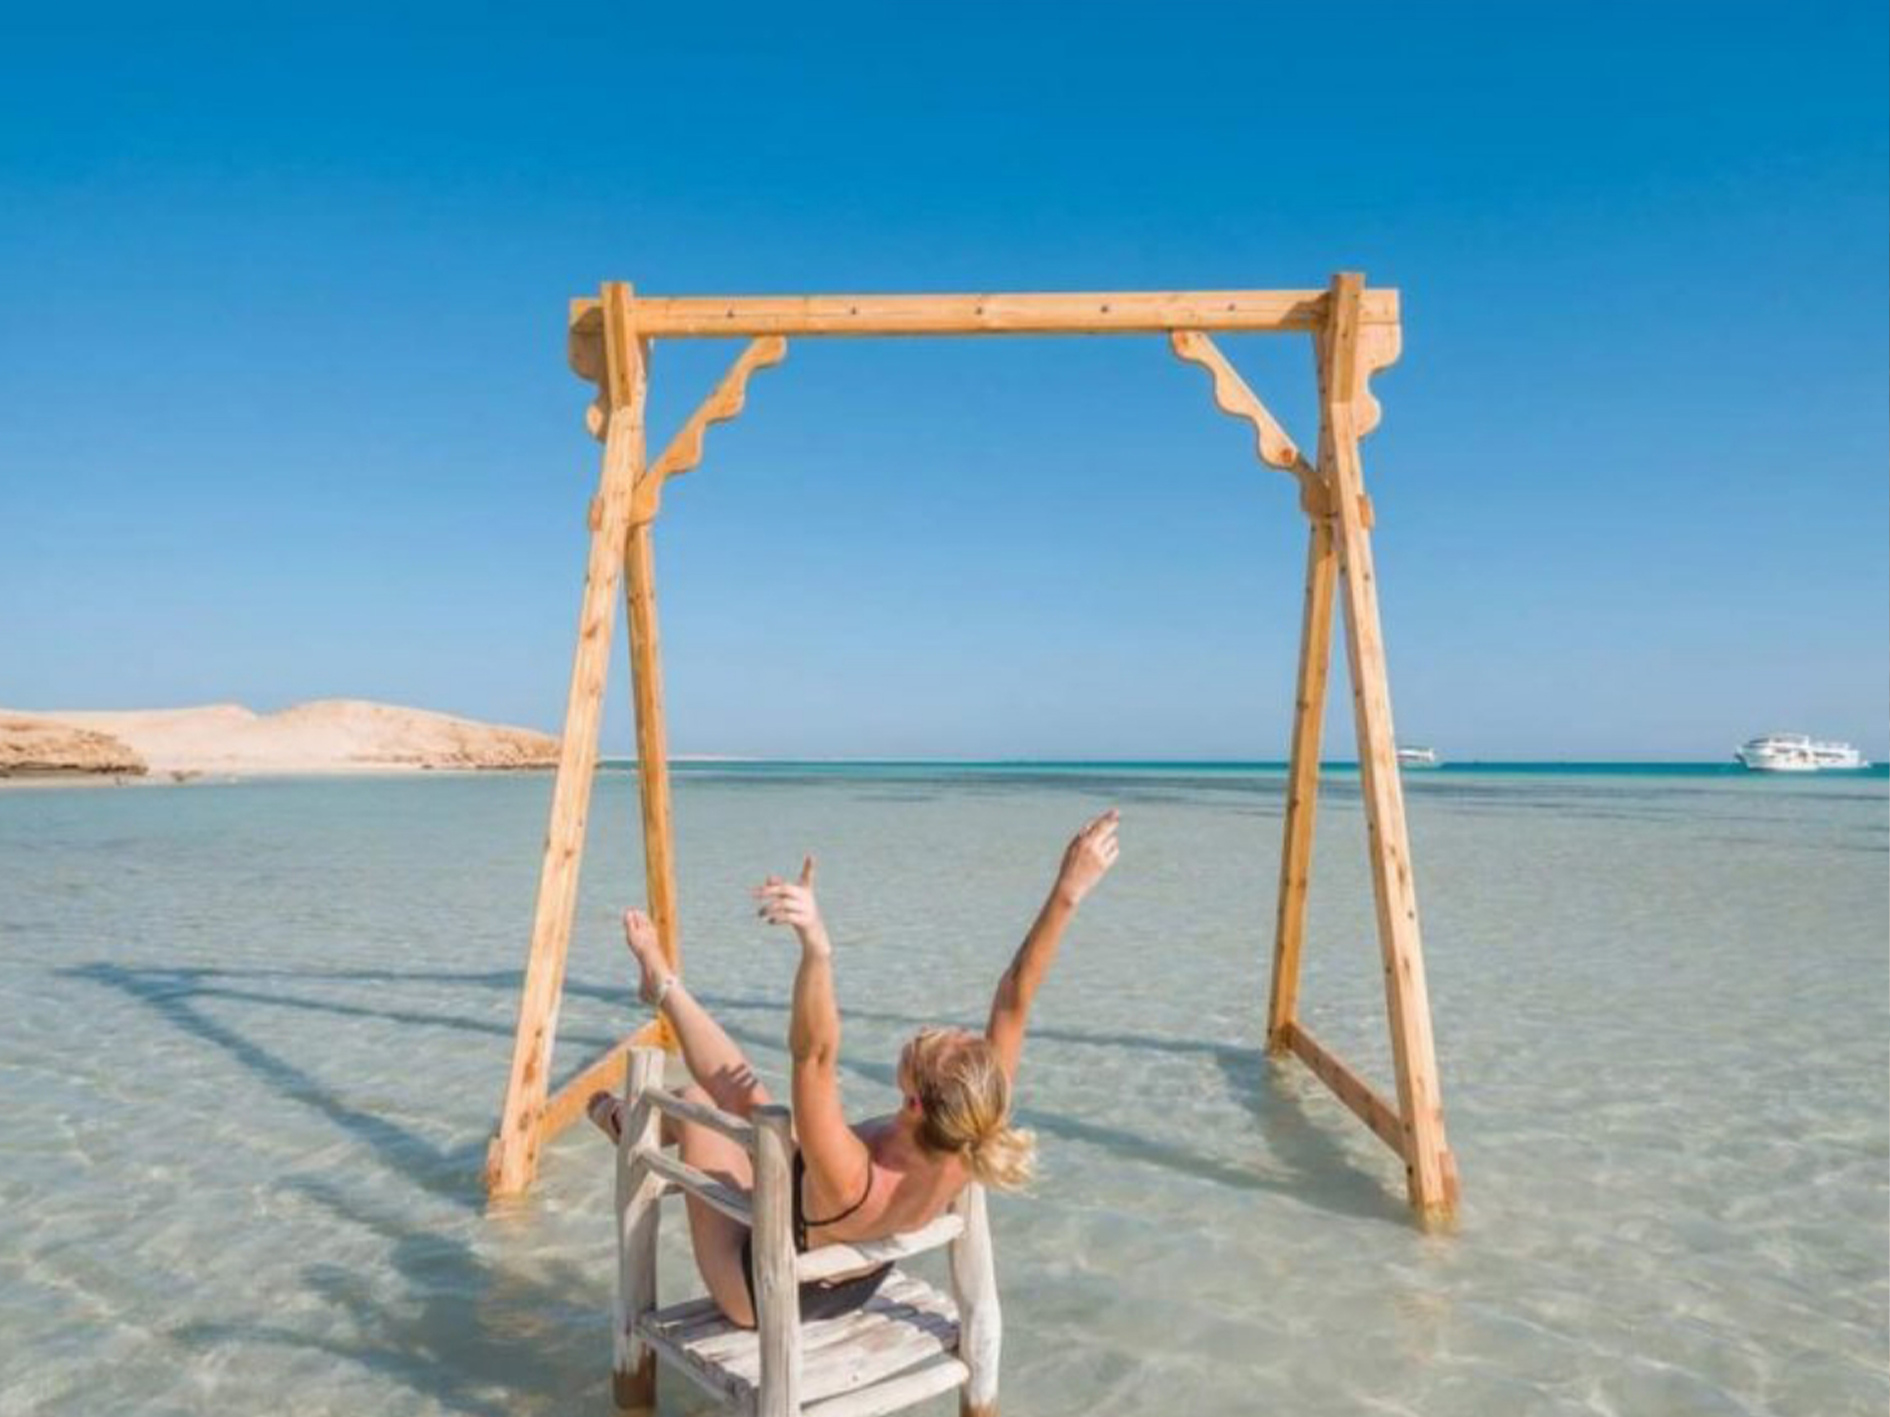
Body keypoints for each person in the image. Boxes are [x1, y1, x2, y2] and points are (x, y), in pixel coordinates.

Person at [590, 808, 1120, 1328]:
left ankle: (624, 1121)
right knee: (754, 1104)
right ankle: (662, 985)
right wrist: (1068, 891)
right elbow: (1014, 998)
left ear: (914, 1102)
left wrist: (816, 947)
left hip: (762, 1293)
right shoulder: (972, 1126)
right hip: (855, 1280)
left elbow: (815, 1054)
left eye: (928, 1045)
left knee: (695, 1102)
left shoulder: (855, 1177)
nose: (927, 1032)